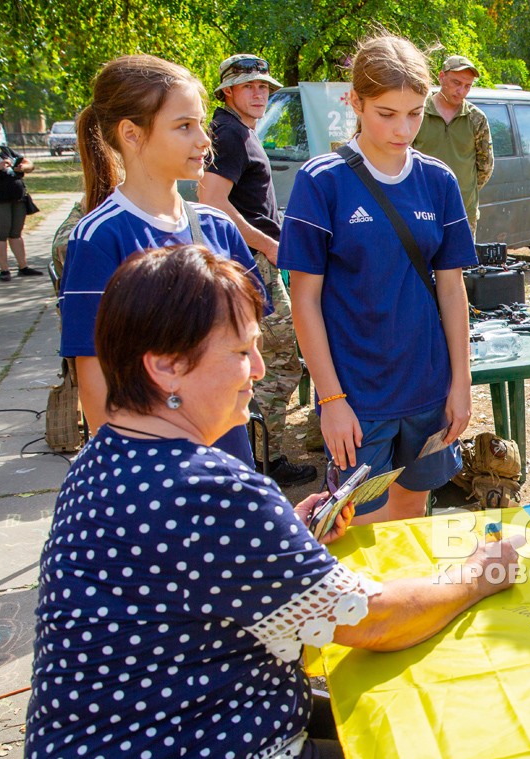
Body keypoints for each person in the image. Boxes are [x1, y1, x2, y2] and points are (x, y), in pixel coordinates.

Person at [23, 245, 518, 759]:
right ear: (164, 364)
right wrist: (480, 573)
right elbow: (374, 622)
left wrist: (287, 540)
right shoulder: (207, 488)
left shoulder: (100, 461)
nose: (259, 371)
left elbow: (187, 585)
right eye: (240, 352)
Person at [283, 33, 475, 525]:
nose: (403, 128)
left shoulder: (439, 180)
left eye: (414, 113)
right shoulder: (321, 180)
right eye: (386, 113)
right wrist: (330, 399)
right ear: (355, 102)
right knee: (359, 524)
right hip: (357, 397)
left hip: (429, 390)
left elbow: (452, 290)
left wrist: (461, 384)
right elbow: (303, 300)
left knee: (412, 513)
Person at [59, 54, 270, 466]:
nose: (204, 141)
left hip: (226, 452)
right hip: (150, 466)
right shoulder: (100, 237)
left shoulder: (217, 226)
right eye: (183, 127)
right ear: (131, 134)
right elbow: (94, 375)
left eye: (201, 124)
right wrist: (123, 475)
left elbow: (248, 341)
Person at [198, 53, 316, 487]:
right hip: (250, 260)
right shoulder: (228, 133)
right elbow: (211, 200)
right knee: (281, 358)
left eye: (263, 86)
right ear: (228, 91)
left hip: (254, 258)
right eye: (249, 86)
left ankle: (252, 454)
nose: (259, 92)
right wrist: (267, 244)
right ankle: (256, 457)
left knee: (269, 354)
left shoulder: (237, 131)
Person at [411, 54, 493, 233]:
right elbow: (402, 158)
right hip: (421, 209)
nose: (461, 91)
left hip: (462, 213)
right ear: (441, 77)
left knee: (461, 262)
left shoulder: (476, 118)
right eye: (457, 83)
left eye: (467, 86)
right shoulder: (418, 112)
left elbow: (485, 167)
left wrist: (462, 189)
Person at [0, 117, 43, 282]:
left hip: (17, 197)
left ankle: (23, 266)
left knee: (16, 233)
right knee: (0, 232)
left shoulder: (4, 150)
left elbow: (28, 163)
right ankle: (4, 269)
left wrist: (23, 167)